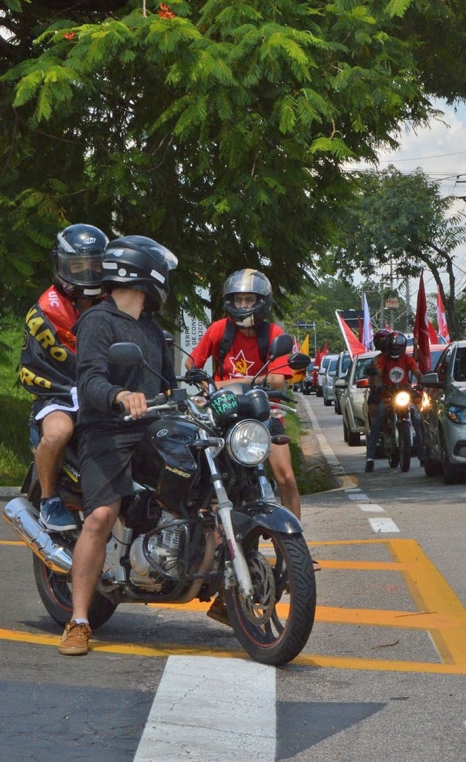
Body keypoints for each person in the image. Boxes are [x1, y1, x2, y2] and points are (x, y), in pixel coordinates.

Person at [60, 236, 177, 656]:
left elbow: (168, 385)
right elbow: (88, 380)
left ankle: (224, 591)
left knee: (197, 486)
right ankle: (77, 621)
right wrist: (119, 395)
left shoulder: (151, 328)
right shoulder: (98, 322)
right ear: (141, 272)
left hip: (148, 428)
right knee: (101, 516)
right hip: (106, 429)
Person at [185, 269, 313, 589]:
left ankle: (297, 547)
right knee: (218, 481)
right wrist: (206, 386)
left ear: (262, 301)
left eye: (249, 299)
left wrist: (225, 383)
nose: (243, 304)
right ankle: (216, 550)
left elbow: (280, 379)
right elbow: (193, 366)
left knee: (285, 475)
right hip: (227, 413)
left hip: (264, 410)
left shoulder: (273, 333)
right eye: (238, 299)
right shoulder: (218, 330)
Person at [20, 224, 109, 532]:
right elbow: (46, 363)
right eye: (78, 265)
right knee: (58, 433)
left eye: (94, 265)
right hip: (58, 392)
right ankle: (48, 500)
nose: (87, 272)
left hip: (105, 389)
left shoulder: (111, 302)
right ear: (61, 264)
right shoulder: (46, 311)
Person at [364, 332, 425, 473]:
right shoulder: (383, 359)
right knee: (377, 420)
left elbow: (417, 373)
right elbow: (378, 374)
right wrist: (379, 386)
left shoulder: (407, 359)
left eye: (398, 346)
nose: (396, 349)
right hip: (387, 395)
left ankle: (423, 455)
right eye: (393, 346)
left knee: (417, 418)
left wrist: (422, 382)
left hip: (404, 394)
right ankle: (370, 459)